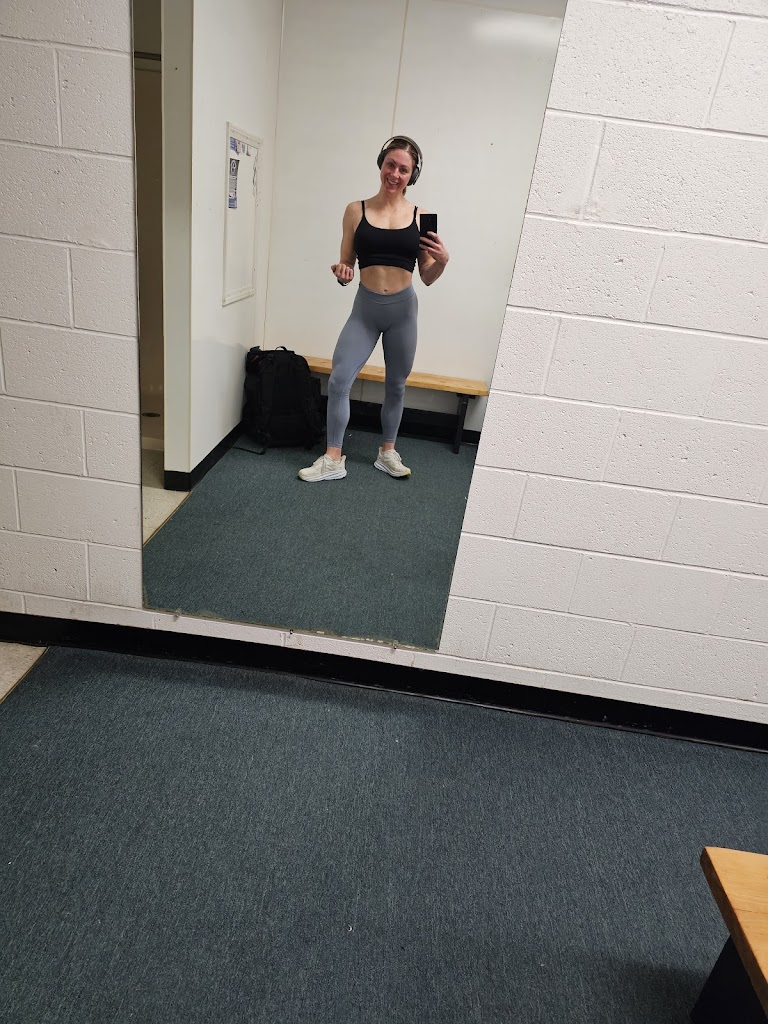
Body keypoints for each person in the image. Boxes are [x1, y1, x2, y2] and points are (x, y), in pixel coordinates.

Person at [298, 135, 449, 482]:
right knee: (339, 379)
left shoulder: (426, 217)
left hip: (403, 313)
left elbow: (427, 276)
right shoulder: (356, 210)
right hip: (365, 310)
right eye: (390, 165)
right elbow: (346, 264)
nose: (395, 174)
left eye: (403, 169)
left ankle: (387, 452)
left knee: (396, 385)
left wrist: (442, 261)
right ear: (381, 164)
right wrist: (343, 273)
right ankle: (333, 458)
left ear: (412, 175)